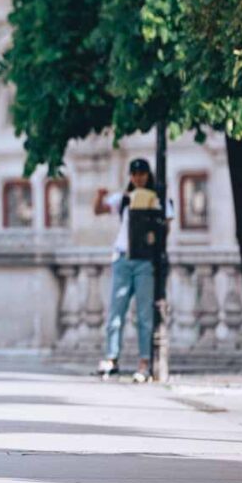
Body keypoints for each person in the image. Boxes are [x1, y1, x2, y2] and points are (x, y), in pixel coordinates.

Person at [93, 159, 174, 382]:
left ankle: (144, 362)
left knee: (144, 315)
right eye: (135, 174)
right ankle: (112, 357)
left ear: (148, 175)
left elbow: (166, 226)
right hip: (123, 257)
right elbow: (99, 209)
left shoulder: (159, 199)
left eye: (142, 173)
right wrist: (99, 195)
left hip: (144, 260)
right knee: (116, 311)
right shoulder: (125, 199)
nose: (138, 177)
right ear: (130, 176)